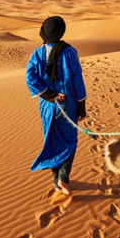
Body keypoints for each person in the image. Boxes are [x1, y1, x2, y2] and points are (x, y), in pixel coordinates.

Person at [26, 16, 87, 196]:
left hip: (47, 107)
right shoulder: (69, 52)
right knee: (69, 141)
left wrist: (48, 95)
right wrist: (81, 105)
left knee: (53, 140)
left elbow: (30, 78)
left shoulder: (37, 54)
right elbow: (77, 80)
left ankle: (55, 180)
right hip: (67, 106)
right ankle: (63, 177)